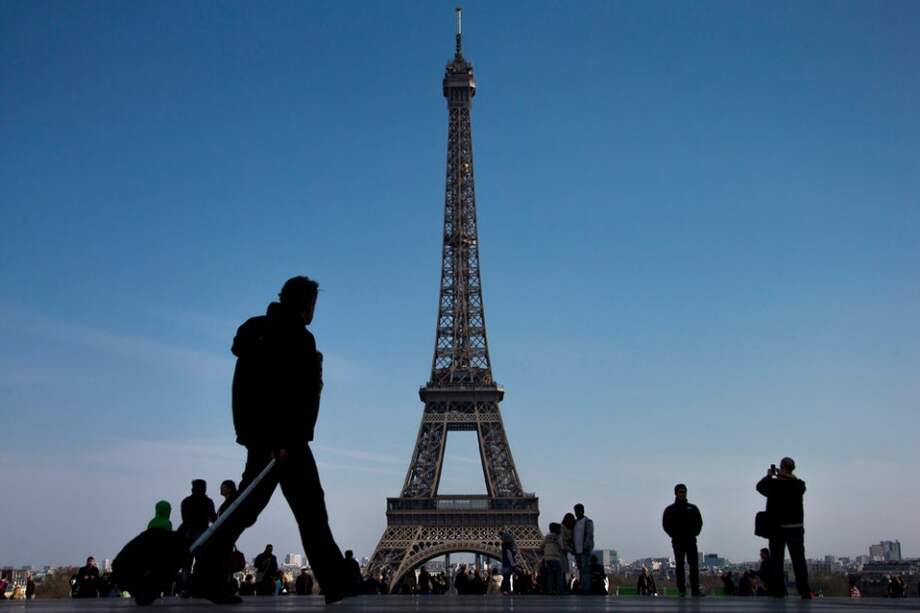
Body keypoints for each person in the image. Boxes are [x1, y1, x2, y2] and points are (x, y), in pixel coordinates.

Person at [192, 276, 350, 605]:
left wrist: (252, 434)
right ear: (306, 304)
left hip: (265, 437)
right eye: (313, 305)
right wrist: (285, 437)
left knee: (246, 510)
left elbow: (248, 392)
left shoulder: (257, 333)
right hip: (286, 441)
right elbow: (295, 395)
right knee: (310, 513)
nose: (313, 312)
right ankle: (336, 583)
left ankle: (205, 572)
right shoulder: (295, 338)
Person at [756, 457, 812, 599]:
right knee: (799, 561)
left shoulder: (774, 485)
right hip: (795, 528)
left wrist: (770, 476)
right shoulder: (799, 485)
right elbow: (798, 484)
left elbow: (760, 487)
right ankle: (804, 591)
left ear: (781, 467)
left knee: (777, 561)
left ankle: (778, 591)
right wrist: (783, 475)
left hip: (777, 528)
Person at [662, 483, 703, 597]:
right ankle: (681, 589)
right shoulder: (670, 510)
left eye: (684, 492)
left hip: (691, 540)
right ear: (676, 493)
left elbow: (699, 522)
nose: (682, 494)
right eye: (680, 492)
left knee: (694, 565)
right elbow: (665, 525)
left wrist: (695, 533)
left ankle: (695, 589)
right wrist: (674, 535)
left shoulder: (693, 508)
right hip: (678, 541)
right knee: (679, 565)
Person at [572, 503, 595, 594]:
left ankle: (586, 588)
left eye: (577, 511)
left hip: (585, 549)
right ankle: (583, 587)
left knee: (585, 570)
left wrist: (586, 546)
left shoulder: (588, 522)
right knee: (581, 570)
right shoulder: (575, 522)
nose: (576, 513)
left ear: (582, 511)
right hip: (577, 550)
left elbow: (589, 536)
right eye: (575, 512)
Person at [542, 522, 565, 595]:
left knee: (550, 575)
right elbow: (561, 547)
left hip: (547, 558)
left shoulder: (547, 536)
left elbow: (541, 545)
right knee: (559, 574)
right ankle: (559, 590)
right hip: (555, 557)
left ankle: (550, 590)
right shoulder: (558, 537)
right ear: (557, 529)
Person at [500, 529, 518, 594]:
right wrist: (514, 565)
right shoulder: (508, 549)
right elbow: (510, 558)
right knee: (507, 578)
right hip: (508, 565)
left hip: (505, 565)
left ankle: (505, 589)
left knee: (506, 578)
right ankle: (507, 590)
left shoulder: (504, 548)